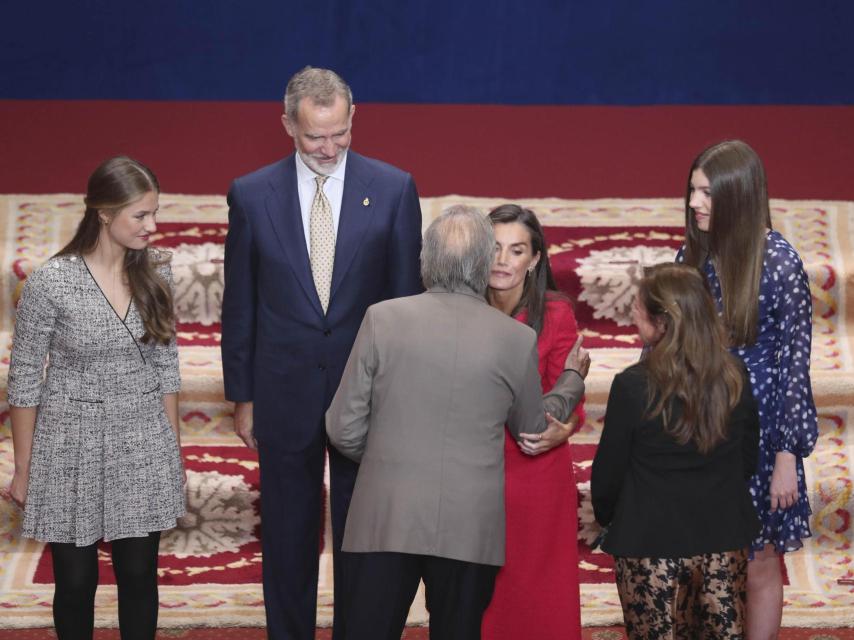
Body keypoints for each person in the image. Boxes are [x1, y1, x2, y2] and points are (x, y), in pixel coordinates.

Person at [220, 66, 422, 640]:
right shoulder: (252, 194)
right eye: (314, 136)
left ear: (352, 120)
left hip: (368, 394)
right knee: (287, 534)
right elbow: (241, 303)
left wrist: (401, 396)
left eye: (339, 133)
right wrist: (243, 396)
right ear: (287, 125)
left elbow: (407, 302)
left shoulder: (394, 188)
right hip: (282, 393)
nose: (328, 148)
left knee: (362, 534)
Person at [325, 206, 588, 640]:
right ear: (484, 262)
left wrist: (385, 461)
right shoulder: (514, 337)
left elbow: (342, 427)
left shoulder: (381, 318)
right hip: (470, 525)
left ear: (426, 259)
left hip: (385, 513)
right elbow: (532, 431)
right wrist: (573, 379)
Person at [6, 156, 185, 640]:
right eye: (141, 215)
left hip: (142, 441)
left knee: (137, 576)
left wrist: (172, 452)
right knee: (76, 581)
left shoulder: (158, 276)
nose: (153, 226)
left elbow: (167, 371)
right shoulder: (51, 281)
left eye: (154, 213)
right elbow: (23, 382)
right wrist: (24, 468)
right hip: (69, 443)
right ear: (104, 214)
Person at [677, 140, 818, 639]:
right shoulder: (694, 252)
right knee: (695, 557)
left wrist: (786, 457)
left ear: (739, 196)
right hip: (700, 423)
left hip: (758, 436)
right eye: (693, 190)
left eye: (708, 193)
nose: (695, 203)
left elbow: (794, 368)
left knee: (757, 563)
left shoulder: (779, 265)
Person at [591, 263, 760, 638]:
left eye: (638, 306)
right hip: (723, 538)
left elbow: (609, 474)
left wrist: (608, 518)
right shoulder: (734, 376)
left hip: (650, 546)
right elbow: (748, 459)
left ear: (662, 321)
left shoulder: (633, 385)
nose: (632, 312)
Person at [481, 204, 584, 640]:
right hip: (475, 470)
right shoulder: (460, 307)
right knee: (482, 594)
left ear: (535, 258)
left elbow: (567, 394)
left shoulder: (556, 313)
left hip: (535, 468)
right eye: (494, 248)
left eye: (517, 250)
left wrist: (565, 426)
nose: (503, 260)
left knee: (540, 596)